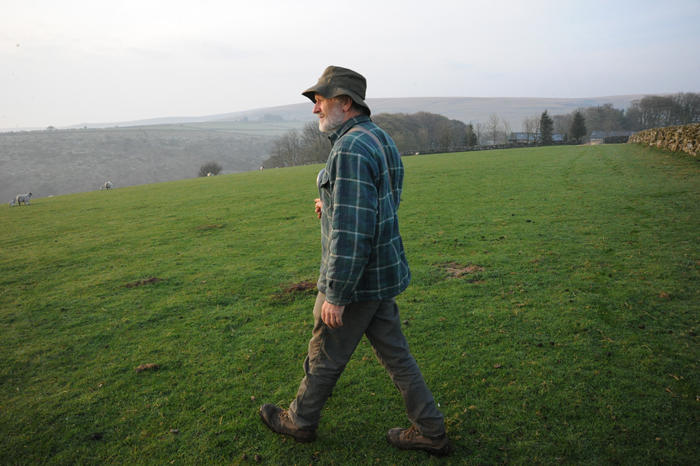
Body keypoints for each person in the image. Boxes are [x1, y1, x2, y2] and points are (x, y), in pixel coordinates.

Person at [259, 66, 451, 456]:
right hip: (380, 273)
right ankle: (431, 430)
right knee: (397, 355)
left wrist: (336, 294)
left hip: (356, 280)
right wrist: (330, 203)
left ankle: (299, 421)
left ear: (345, 103)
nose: (315, 108)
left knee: (325, 353)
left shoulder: (348, 149)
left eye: (321, 100)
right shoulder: (378, 137)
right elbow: (377, 203)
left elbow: (353, 230)